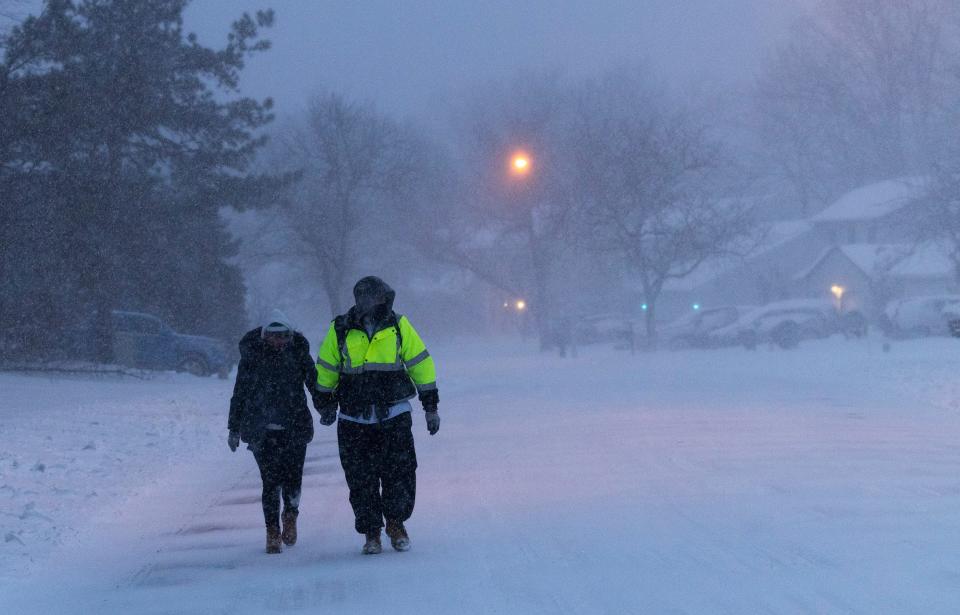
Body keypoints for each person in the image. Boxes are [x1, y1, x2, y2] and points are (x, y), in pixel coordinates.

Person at [314, 276, 440, 554]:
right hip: (354, 417)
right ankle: (371, 531)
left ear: (384, 298)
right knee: (360, 479)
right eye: (364, 296)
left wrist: (430, 407)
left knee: (400, 473)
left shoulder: (398, 325)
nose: (369, 301)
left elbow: (421, 365)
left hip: (393, 413)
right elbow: (326, 369)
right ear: (357, 299)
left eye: (375, 296)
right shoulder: (340, 329)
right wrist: (324, 403)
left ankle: (395, 524)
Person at [228, 310, 325, 554]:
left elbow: (314, 384)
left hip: (294, 427)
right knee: (270, 482)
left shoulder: (298, 354)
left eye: (283, 336)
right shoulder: (252, 357)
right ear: (264, 336)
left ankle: (290, 516)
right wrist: (234, 428)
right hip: (261, 430)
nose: (278, 341)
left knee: (293, 477)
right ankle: (272, 530)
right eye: (273, 336)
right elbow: (239, 393)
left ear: (290, 336)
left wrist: (326, 407)